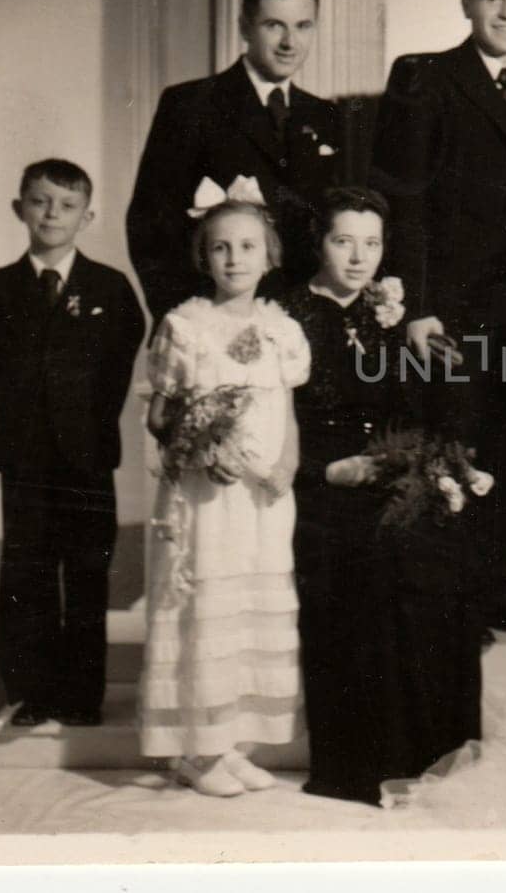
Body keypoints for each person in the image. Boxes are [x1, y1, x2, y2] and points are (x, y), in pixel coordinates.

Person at [369, 0, 506, 641]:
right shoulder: (427, 77)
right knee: (456, 443)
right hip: (450, 301)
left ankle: (494, 590)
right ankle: (450, 602)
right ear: (467, 2)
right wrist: (417, 305)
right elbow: (404, 198)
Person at [283, 187, 484, 807]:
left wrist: (428, 464)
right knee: (371, 561)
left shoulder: (391, 310)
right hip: (322, 481)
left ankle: (434, 749)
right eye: (344, 241)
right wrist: (325, 470)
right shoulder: (286, 314)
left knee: (439, 553)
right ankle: (364, 761)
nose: (358, 257)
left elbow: (424, 404)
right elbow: (274, 421)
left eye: (371, 243)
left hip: (391, 473)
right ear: (318, 243)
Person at [137, 183, 310, 797]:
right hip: (207, 497)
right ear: (203, 257)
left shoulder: (281, 328)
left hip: (262, 495)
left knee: (247, 609)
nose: (234, 259)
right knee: (206, 609)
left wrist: (286, 461)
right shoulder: (185, 327)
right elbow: (160, 416)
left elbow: (285, 405)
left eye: (247, 247)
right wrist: (201, 443)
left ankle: (230, 742)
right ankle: (196, 750)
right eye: (220, 248)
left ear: (271, 256)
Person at [0, 158, 146, 728]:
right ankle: (32, 690)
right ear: (19, 207)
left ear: (87, 216)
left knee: (88, 572)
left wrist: (83, 432)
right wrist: (32, 430)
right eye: (41, 201)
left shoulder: (110, 289)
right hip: (23, 457)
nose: (52, 214)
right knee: (28, 572)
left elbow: (116, 372)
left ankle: (81, 695)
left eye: (67, 205)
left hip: (87, 458)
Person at [126, 0, 345, 323]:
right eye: (274, 26)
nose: (290, 42)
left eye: (303, 26)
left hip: (305, 323)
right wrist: (182, 314)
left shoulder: (324, 115)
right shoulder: (190, 104)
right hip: (215, 317)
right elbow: (150, 222)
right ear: (245, 27)